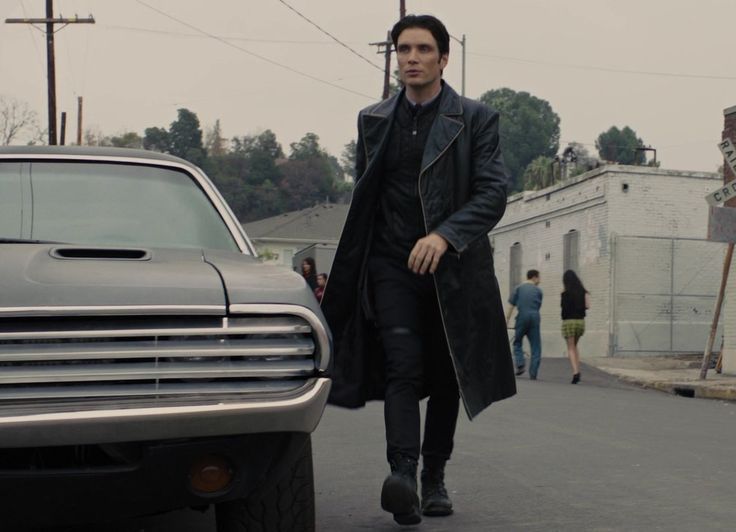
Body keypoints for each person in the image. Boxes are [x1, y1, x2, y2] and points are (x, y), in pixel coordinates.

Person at [321, 14, 516, 526]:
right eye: (403, 49)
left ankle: (434, 478)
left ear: (443, 58)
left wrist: (445, 234)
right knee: (402, 364)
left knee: (448, 373)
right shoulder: (373, 119)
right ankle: (402, 475)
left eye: (423, 49)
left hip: (453, 269)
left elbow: (493, 191)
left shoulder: (476, 119)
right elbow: (367, 194)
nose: (411, 58)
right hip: (390, 263)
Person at [506, 269, 543, 379]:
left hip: (522, 317)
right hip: (535, 317)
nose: (540, 280)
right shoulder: (539, 291)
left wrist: (507, 319)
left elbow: (511, 306)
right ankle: (533, 373)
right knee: (536, 346)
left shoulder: (518, 288)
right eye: (539, 277)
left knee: (517, 342)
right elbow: (538, 305)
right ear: (534, 277)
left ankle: (520, 363)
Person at [561, 269, 590, 384]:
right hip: (580, 322)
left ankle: (575, 372)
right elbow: (588, 306)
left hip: (568, 322)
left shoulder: (564, 293)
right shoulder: (583, 292)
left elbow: (563, 308)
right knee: (575, 346)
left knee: (571, 348)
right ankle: (578, 370)